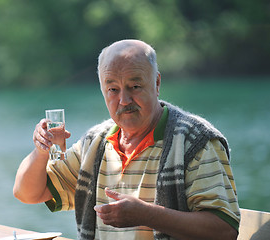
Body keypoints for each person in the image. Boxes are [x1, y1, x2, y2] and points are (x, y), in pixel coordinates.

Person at [13, 39, 240, 240]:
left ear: (157, 83)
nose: (124, 100)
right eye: (113, 89)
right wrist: (41, 150)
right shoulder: (96, 142)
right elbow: (27, 193)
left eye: (135, 86)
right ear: (102, 90)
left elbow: (224, 231)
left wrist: (147, 215)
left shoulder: (195, 141)